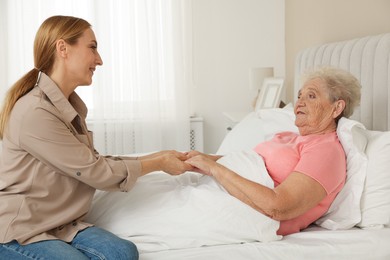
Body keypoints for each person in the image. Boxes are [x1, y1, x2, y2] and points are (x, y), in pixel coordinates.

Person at [0, 15, 192, 259]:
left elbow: (91, 160)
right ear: (63, 48)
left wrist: (159, 156)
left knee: (122, 252)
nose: (99, 60)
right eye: (92, 47)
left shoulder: (67, 106)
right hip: (22, 231)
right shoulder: (36, 111)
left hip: (62, 226)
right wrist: (157, 164)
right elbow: (94, 171)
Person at [185, 67, 361, 235]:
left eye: (311, 96)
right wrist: (204, 159)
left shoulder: (326, 151)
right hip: (218, 190)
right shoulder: (288, 137)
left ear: (336, 108)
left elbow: (278, 207)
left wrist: (214, 169)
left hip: (241, 213)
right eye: (299, 95)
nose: (300, 102)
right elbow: (247, 162)